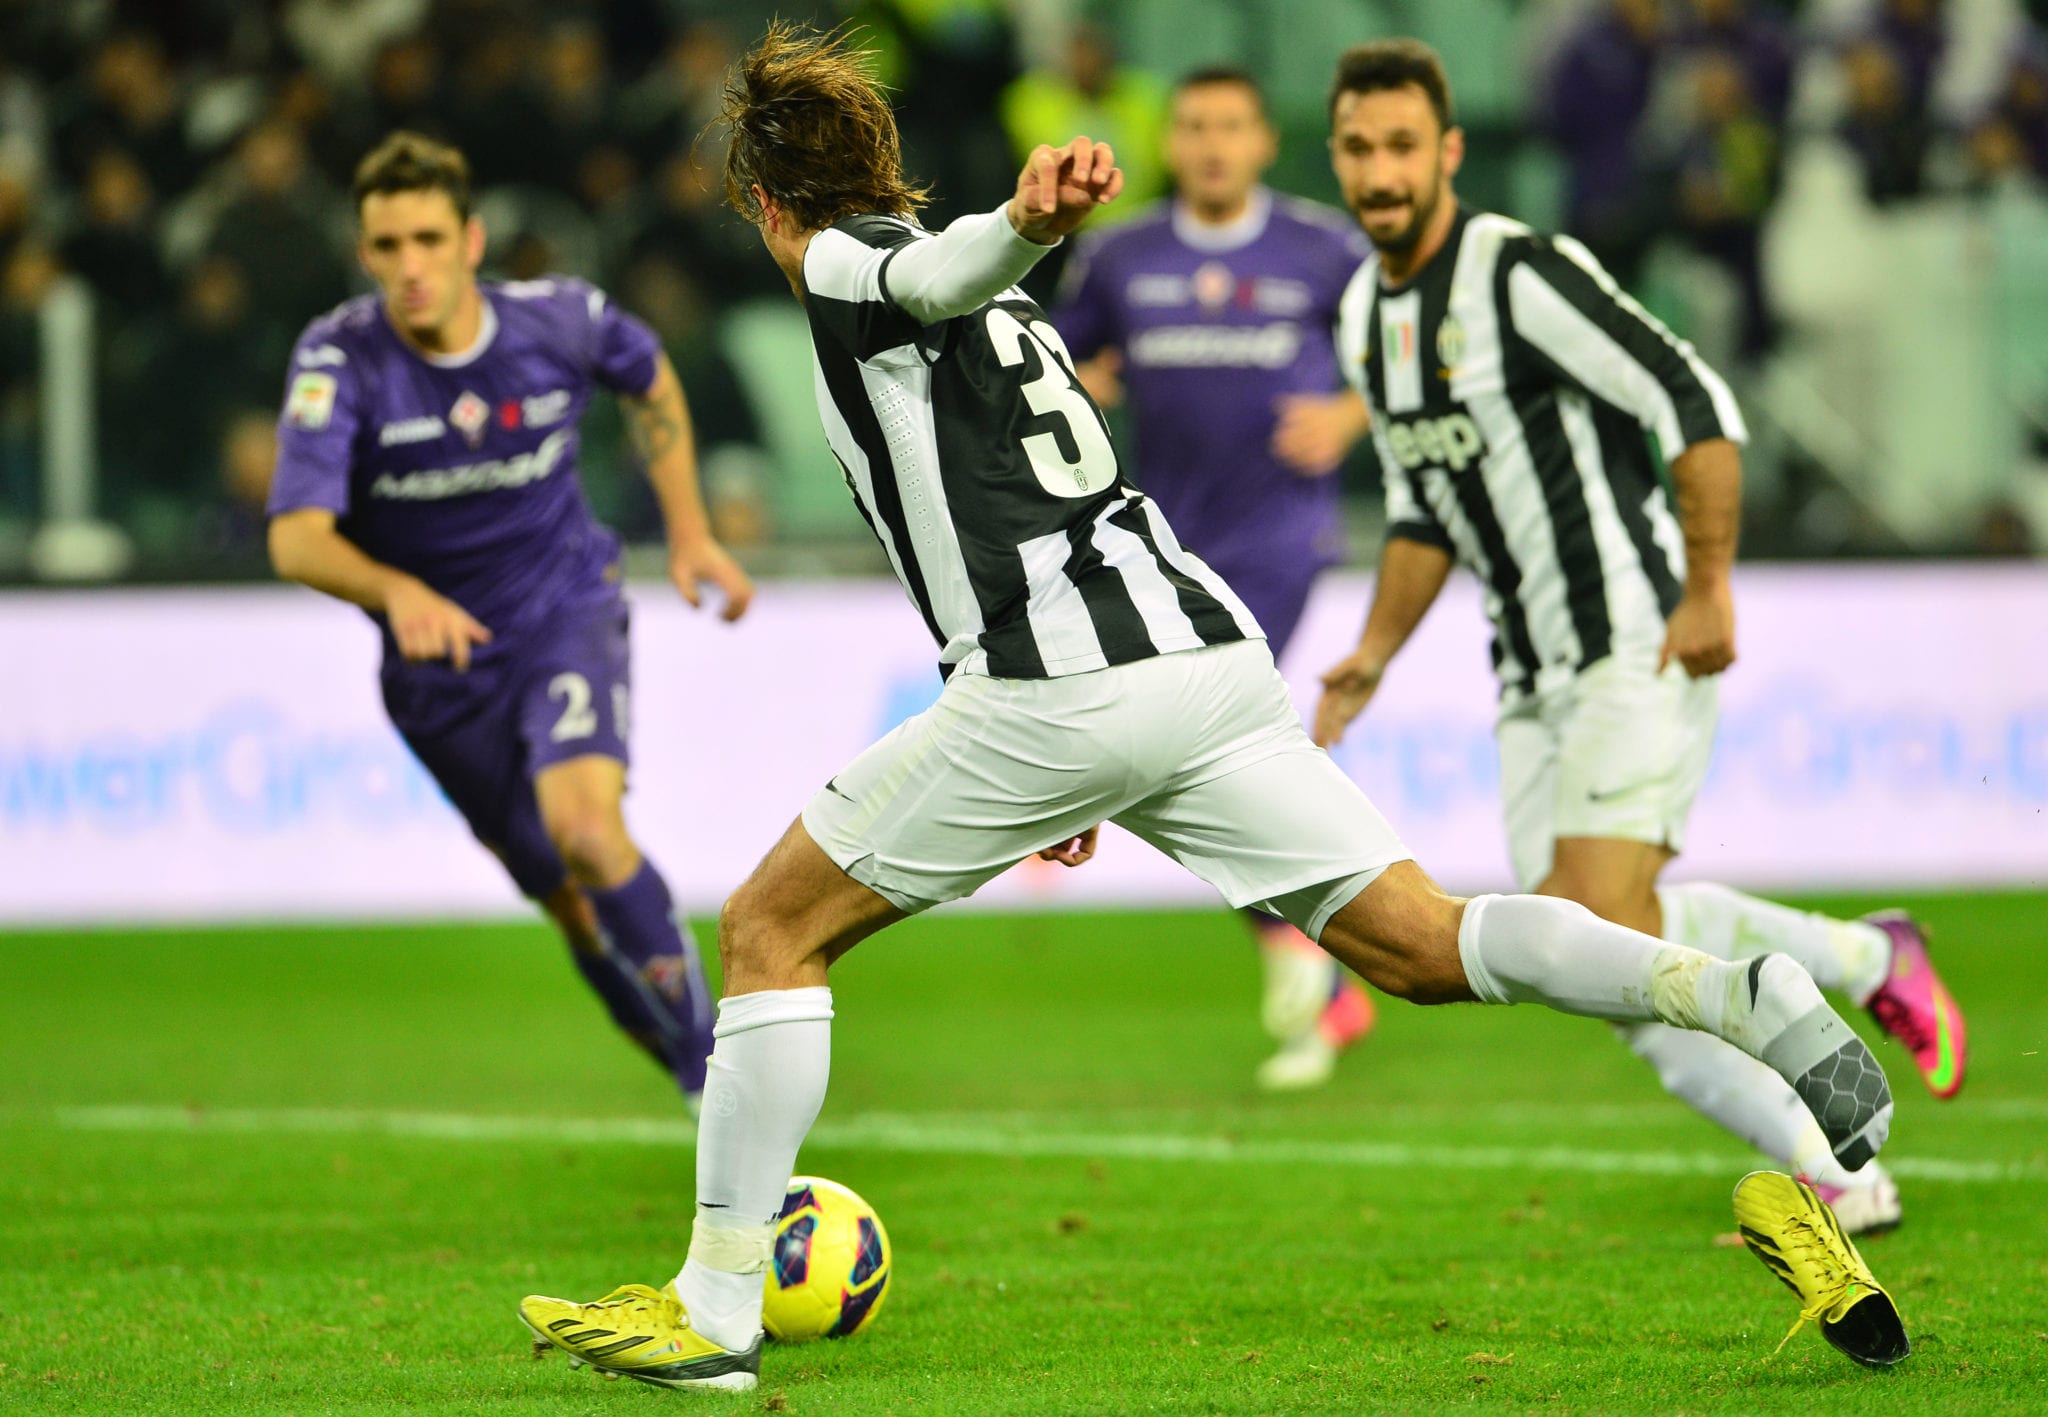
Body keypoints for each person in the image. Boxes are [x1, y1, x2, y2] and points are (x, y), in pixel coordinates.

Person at [518, 26, 1898, 1392]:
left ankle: (714, 1305)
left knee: (770, 927)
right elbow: (990, 441)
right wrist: (1069, 770)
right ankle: (1738, 991)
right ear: (891, 163)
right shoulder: (988, 312)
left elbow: (931, 269)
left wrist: (1019, 219)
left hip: (1057, 686)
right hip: (1201, 660)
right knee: (1421, 943)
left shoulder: (850, 263)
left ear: (765, 202)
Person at [1307, 40, 1966, 1238]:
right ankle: (1863, 962)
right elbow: (1421, 505)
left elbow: (1687, 394)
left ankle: (1837, 1162)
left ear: (1447, 152)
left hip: (1628, 631)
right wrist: (1373, 652)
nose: (1378, 170)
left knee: (1587, 919)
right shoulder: (1362, 317)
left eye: (1402, 145)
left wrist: (1706, 583)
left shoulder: (1515, 274)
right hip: (1525, 673)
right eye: (1357, 147)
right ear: (1337, 155)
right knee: (1598, 954)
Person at [266, 132, 752, 1112]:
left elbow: (649, 379)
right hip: (440, 676)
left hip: (562, 609)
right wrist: (397, 592)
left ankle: (722, 1085)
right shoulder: (340, 359)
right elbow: (297, 540)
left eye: (428, 240)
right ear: (366, 252)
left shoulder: (560, 322)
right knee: (570, 905)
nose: (410, 266)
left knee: (585, 827)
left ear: (470, 239)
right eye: (387, 245)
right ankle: (686, 1065)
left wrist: (691, 533)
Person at [1052, 65, 1376, 1090]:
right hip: (1160, 540)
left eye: (1229, 126)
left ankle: (1307, 956)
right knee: (1221, 751)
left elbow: (1416, 352)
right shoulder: (1116, 255)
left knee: (1200, 730)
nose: (1209, 144)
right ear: (1170, 140)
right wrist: (1081, 387)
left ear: (1262, 140)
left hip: (1278, 536)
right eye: (1192, 126)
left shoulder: (1324, 249)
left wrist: (1348, 416)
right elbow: (1048, 368)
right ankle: (1323, 954)